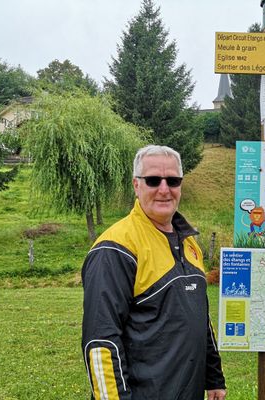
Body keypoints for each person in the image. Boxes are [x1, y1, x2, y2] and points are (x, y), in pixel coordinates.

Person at [81, 145, 227, 400]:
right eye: (152, 180)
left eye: (172, 180)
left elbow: (200, 318)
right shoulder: (116, 248)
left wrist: (213, 377)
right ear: (136, 185)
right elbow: (100, 343)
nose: (164, 189)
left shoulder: (189, 243)